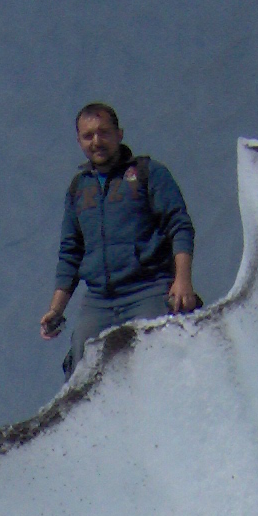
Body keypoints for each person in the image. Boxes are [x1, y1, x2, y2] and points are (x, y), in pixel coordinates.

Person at [40, 103, 199, 376]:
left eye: (104, 132)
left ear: (119, 134)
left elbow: (180, 226)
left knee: (161, 352)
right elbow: (71, 252)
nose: (96, 141)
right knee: (81, 365)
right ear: (79, 141)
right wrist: (56, 310)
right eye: (88, 136)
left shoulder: (148, 174)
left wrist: (182, 281)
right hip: (100, 300)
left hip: (147, 289)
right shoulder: (79, 189)